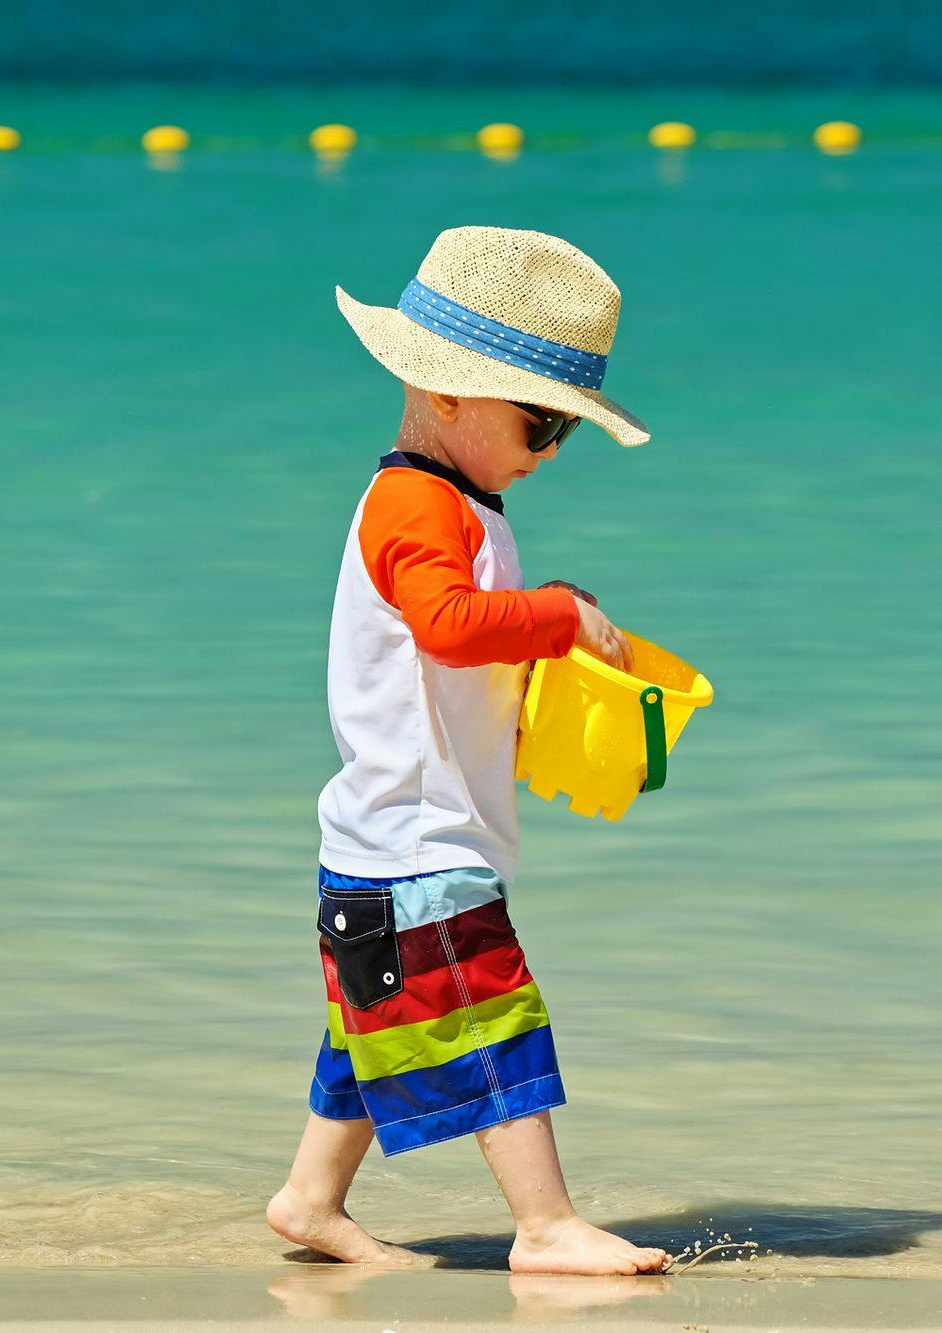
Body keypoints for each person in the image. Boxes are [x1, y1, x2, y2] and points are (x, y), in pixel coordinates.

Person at [265, 226, 671, 1276]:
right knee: (493, 1014)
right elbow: (447, 624)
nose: (544, 455)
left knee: (373, 1028)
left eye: (560, 436)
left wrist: (540, 686)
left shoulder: (461, 500)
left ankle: (310, 1200)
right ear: (445, 396)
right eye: (538, 426)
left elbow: (446, 659)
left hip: (403, 841)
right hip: (410, 845)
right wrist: (557, 616)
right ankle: (543, 1225)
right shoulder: (411, 502)